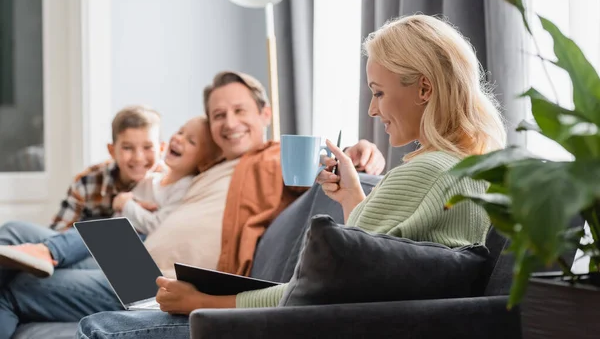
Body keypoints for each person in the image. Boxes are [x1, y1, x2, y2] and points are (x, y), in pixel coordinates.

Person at [77, 14, 507, 338]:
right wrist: (353, 200)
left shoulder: (423, 172)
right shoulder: (470, 171)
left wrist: (202, 301)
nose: (373, 110)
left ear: (425, 90)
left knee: (99, 326)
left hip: (290, 326)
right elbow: (382, 270)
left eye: (378, 92)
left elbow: (307, 295)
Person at [0, 71, 384, 338]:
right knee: (13, 233)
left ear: (265, 114)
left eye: (239, 111)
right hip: (134, 256)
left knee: (11, 287)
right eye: (218, 115)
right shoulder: (214, 164)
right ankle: (43, 251)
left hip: (155, 278)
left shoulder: (275, 158)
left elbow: (326, 166)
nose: (229, 122)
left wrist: (362, 152)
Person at [0, 116, 221, 277]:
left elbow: (157, 224)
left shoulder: (183, 187)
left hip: (131, 246)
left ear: (159, 148)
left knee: (101, 228)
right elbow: (60, 229)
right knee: (12, 231)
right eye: (181, 131)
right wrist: (128, 203)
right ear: (112, 150)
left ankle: (47, 251)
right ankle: (43, 252)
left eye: (147, 147)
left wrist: (127, 205)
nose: (138, 157)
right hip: (101, 241)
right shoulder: (152, 179)